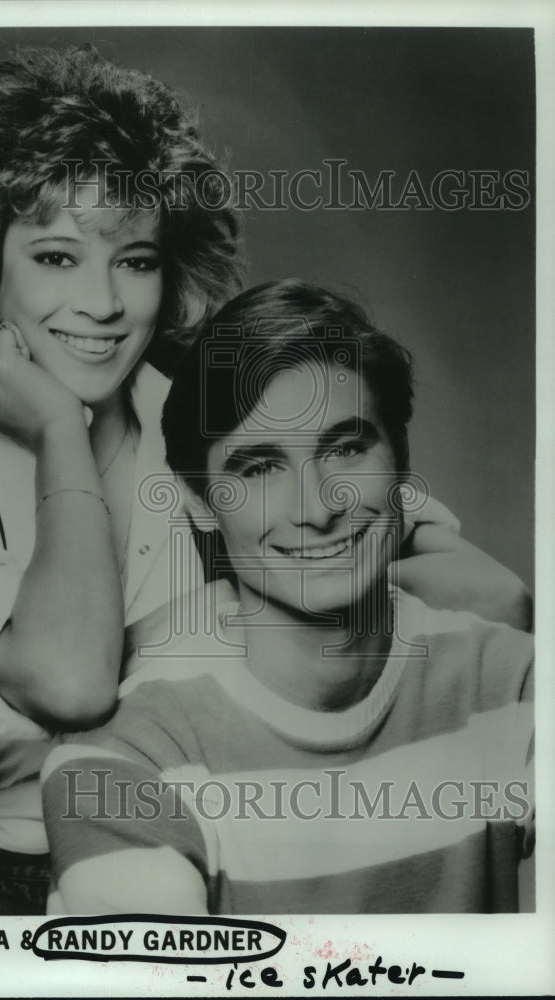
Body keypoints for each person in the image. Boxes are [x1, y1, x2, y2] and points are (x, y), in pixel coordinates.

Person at [0, 46, 526, 916]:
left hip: (221, 863)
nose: (104, 303)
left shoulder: (217, 429)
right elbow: (73, 684)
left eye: (136, 260)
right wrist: (57, 435)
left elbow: (491, 601)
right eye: (55, 257)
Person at [40, 280, 534, 914]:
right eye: (259, 468)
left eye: (346, 449)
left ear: (402, 466)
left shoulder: (514, 685)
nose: (315, 508)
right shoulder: (126, 756)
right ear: (198, 501)